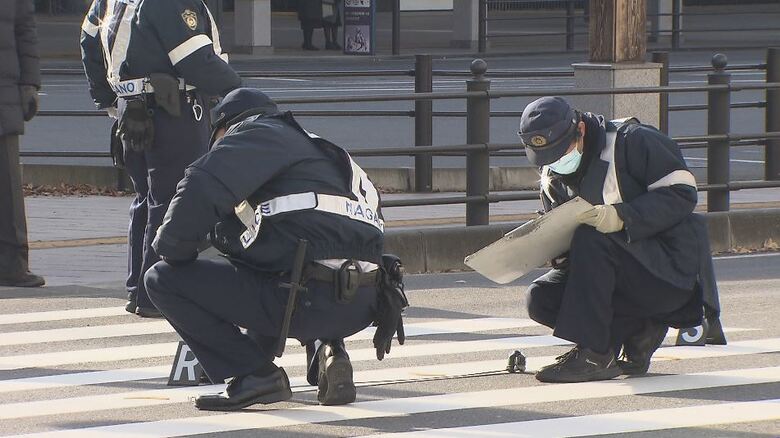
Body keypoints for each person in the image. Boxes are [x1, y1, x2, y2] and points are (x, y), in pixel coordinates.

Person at [143, 88, 407, 411]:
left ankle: (254, 374)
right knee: (283, 257)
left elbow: (200, 184)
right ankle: (329, 347)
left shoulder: (255, 133)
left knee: (161, 279)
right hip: (365, 303)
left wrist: (172, 249)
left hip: (305, 297)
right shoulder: (323, 151)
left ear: (226, 128)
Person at [518, 96, 723, 383]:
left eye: (558, 152)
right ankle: (634, 332)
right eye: (546, 157)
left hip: (668, 273)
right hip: (619, 278)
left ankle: (596, 355)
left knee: (593, 237)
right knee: (541, 298)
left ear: (581, 130)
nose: (554, 162)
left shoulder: (633, 141)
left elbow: (682, 193)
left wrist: (622, 216)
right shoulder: (552, 175)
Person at [80, 0, 241, 317]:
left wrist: (112, 101)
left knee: (147, 199)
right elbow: (197, 60)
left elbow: (88, 42)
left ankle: (138, 288)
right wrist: (240, 93)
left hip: (132, 109)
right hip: (172, 109)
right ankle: (155, 294)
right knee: (171, 201)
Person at [0, 0, 45, 288]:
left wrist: (30, 83)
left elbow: (25, 30)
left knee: (7, 188)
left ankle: (13, 265)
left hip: (4, 93)